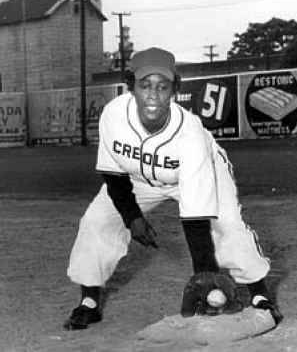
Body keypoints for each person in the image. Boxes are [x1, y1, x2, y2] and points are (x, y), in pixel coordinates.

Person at [63, 47, 283, 330]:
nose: (153, 94)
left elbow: (195, 213)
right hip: (137, 180)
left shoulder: (189, 132)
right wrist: (133, 218)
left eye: (162, 86)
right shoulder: (113, 116)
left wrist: (203, 275)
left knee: (227, 224)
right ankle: (89, 302)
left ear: (174, 90)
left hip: (201, 174)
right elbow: (113, 174)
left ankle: (260, 294)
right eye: (145, 85)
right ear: (131, 86)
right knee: (97, 221)